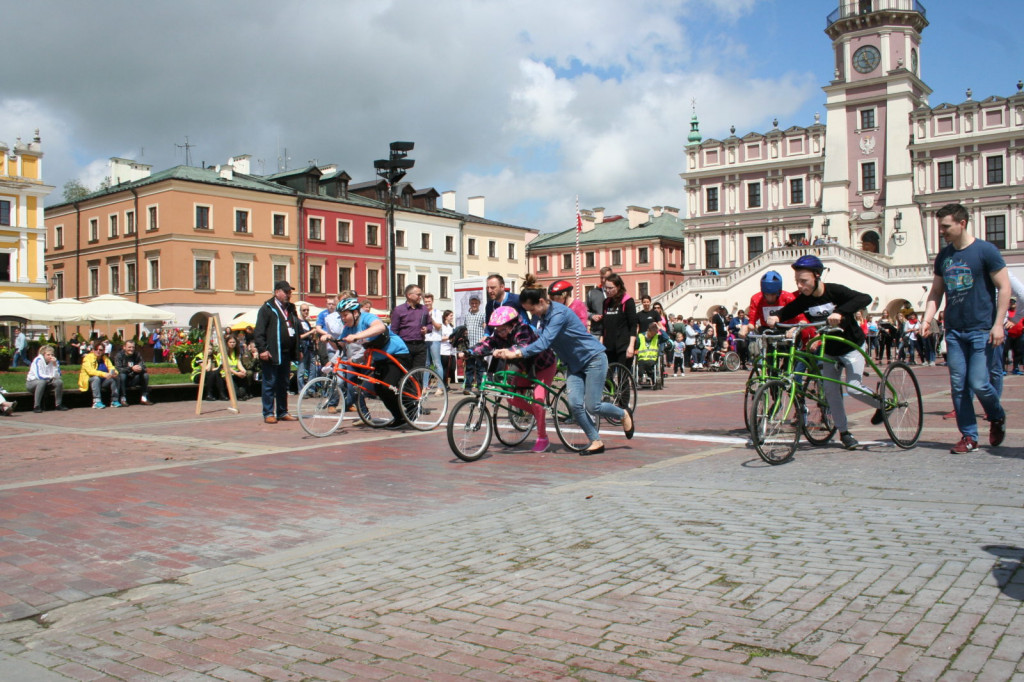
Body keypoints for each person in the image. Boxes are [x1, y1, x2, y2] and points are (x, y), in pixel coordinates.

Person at [494, 281, 634, 455]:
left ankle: (622, 413)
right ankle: (596, 441)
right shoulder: (545, 316)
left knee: (593, 406)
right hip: (574, 365)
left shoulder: (558, 314)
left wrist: (517, 354)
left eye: (531, 310)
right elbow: (538, 336)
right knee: (575, 405)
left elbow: (544, 342)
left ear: (541, 302)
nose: (531, 314)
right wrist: (511, 346)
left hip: (593, 359)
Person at [766, 254, 878, 450]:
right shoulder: (804, 300)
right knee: (831, 392)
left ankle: (882, 404)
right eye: (797, 282)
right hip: (830, 350)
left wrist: (841, 312)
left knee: (853, 387)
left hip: (852, 346)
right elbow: (788, 310)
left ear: (817, 276)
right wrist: (776, 317)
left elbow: (864, 298)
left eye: (804, 281)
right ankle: (845, 433)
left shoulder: (835, 291)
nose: (800, 286)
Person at [922, 203, 1009, 453]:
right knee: (959, 386)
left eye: (946, 226)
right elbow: (936, 291)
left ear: (962, 223)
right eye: (941, 227)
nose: (942, 231)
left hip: (982, 328)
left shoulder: (985, 251)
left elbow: (1004, 287)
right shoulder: (945, 256)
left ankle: (996, 415)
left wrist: (998, 324)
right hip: (956, 331)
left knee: (980, 382)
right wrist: (927, 320)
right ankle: (969, 436)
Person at [464, 300, 557, 453]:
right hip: (524, 366)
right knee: (512, 398)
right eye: (497, 330)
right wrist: (470, 352)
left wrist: (507, 351)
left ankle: (542, 437)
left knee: (538, 399)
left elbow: (523, 345)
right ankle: (537, 414)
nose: (499, 333)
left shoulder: (523, 329)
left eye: (502, 329)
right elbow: (488, 343)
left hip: (543, 366)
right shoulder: (500, 334)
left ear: (512, 324)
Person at [332, 297, 411, 429]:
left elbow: (379, 327)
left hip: (396, 354)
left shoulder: (367, 317)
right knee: (379, 389)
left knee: (388, 386)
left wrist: (358, 336)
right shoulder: (348, 328)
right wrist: (329, 339)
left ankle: (411, 404)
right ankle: (399, 417)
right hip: (379, 358)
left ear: (355, 313)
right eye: (341, 316)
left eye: (345, 315)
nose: (343, 318)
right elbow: (339, 345)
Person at [254, 280, 300, 424]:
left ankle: (282, 411)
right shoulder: (267, 308)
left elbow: (296, 329)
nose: (289, 295)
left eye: (290, 292)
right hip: (272, 353)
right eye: (286, 292)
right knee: (270, 383)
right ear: (277, 292)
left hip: (286, 352)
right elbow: (259, 331)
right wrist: (262, 349)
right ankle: (268, 412)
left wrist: (298, 349)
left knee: (283, 383)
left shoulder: (291, 308)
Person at [600, 273, 638, 367]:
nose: (607, 291)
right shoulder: (606, 302)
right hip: (608, 346)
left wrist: (631, 346)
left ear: (618, 287)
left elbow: (633, 325)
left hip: (624, 346)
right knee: (607, 378)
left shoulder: (628, 301)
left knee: (623, 377)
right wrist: (601, 343)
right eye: (606, 288)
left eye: (610, 288)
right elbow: (603, 325)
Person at [390, 284, 428, 369]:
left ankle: (418, 383)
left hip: (420, 344)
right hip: (405, 345)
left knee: (418, 372)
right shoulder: (399, 310)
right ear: (409, 295)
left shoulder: (424, 309)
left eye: (420, 294)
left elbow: (429, 325)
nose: (420, 297)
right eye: (418, 294)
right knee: (405, 371)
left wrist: (427, 329)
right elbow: (394, 330)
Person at [79, 340, 121, 408]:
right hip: (89, 381)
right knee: (96, 378)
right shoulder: (87, 358)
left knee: (115, 378)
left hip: (103, 381)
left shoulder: (105, 358)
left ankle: (114, 400)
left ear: (103, 351)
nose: (98, 351)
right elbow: (90, 371)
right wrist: (104, 374)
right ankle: (96, 401)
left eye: (100, 350)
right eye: (96, 349)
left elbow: (112, 367)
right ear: (93, 350)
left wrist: (114, 373)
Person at [26, 344, 67, 412]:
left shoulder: (55, 361)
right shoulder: (38, 360)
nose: (50, 356)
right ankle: (36, 406)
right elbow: (39, 375)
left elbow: (58, 376)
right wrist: (51, 377)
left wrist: (54, 365)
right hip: (33, 383)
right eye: (48, 355)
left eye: (52, 354)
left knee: (59, 382)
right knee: (42, 382)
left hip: (48, 381)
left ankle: (58, 404)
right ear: (43, 355)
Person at [114, 339, 152, 405]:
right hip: (123, 381)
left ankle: (144, 397)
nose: (131, 349)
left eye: (133, 347)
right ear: (124, 347)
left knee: (145, 375)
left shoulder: (137, 354)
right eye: (129, 347)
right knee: (122, 375)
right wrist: (131, 368)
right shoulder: (119, 355)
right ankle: (123, 398)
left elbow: (143, 366)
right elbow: (118, 369)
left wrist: (140, 368)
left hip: (134, 378)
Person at [462, 294, 487, 394]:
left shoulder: (483, 315)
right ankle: (468, 387)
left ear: (479, 304)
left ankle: (481, 387)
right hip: (469, 345)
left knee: (480, 367)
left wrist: (484, 339)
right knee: (469, 367)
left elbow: (486, 328)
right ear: (469, 303)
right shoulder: (467, 316)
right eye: (472, 303)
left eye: (476, 303)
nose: (474, 304)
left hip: (479, 345)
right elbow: (464, 328)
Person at [423, 293, 444, 383]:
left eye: (429, 301)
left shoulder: (437, 312)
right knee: (426, 364)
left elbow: (439, 327)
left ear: (432, 301)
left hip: (435, 339)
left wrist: (431, 319)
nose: (427, 303)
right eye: (425, 301)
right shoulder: (422, 312)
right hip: (424, 339)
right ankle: (424, 386)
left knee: (437, 363)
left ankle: (440, 387)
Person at [586, 266, 612, 336]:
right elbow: (585, 311)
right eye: (601, 277)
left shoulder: (617, 293)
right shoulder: (592, 293)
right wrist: (592, 316)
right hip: (596, 332)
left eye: (606, 278)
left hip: (613, 332)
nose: (603, 280)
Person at [635, 323, 662, 389]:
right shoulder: (640, 336)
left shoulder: (657, 337)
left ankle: (652, 379)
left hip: (652, 359)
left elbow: (666, 337)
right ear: (648, 331)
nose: (653, 335)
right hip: (642, 358)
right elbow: (636, 346)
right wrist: (636, 350)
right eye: (652, 333)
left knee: (650, 367)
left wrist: (660, 328)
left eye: (654, 333)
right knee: (640, 366)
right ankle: (641, 377)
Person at [296, 303, 316, 390]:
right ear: (300, 311)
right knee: (301, 370)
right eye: (304, 310)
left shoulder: (307, 322)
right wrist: (310, 333)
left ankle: (311, 389)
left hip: (310, 348)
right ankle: (301, 390)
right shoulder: (297, 322)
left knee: (313, 369)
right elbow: (298, 337)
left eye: (307, 310)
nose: (306, 312)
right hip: (302, 348)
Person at [314, 293, 338, 366]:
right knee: (324, 359)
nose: (331, 306)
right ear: (326, 304)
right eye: (329, 304)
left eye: (332, 304)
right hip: (325, 339)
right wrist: (327, 334)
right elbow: (318, 328)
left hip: (335, 339)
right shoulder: (322, 314)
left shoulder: (338, 314)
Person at [224, 335, 250, 400]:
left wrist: (243, 371)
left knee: (246, 376)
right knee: (237, 394)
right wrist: (236, 373)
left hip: (235, 373)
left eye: (234, 342)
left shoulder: (237, 352)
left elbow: (239, 363)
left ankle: (243, 394)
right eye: (230, 342)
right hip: (226, 374)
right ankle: (239, 395)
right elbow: (225, 367)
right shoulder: (223, 353)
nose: (232, 344)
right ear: (227, 343)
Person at [440, 310, 457, 388]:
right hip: (443, 350)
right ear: (446, 317)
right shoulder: (442, 326)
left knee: (452, 368)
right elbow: (439, 338)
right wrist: (449, 338)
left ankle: (446, 383)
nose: (452, 317)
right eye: (450, 316)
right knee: (445, 368)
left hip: (451, 350)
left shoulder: (451, 326)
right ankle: (444, 384)